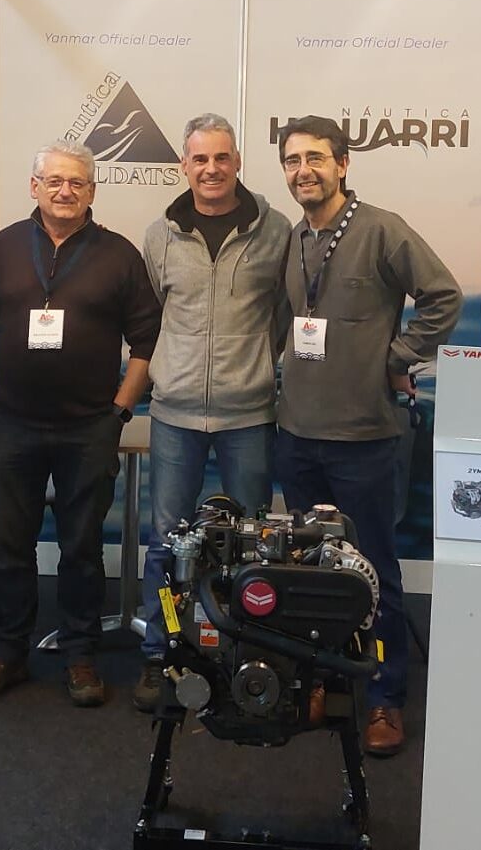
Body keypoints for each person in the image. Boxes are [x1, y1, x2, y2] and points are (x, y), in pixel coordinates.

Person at [274, 115, 462, 756]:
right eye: (293, 160)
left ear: (343, 163)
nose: (304, 170)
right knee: (312, 571)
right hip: (297, 435)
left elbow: (443, 296)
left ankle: (385, 699)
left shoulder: (381, 228)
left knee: (373, 570)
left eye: (316, 158)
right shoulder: (295, 237)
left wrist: (399, 356)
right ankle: (324, 676)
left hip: (366, 438)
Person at [0, 140, 161, 708]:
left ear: (92, 191)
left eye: (77, 182)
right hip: (15, 425)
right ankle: (7, 653)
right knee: (10, 547)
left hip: (88, 429)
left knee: (80, 548)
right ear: (35, 186)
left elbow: (146, 340)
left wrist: (119, 411)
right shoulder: (1, 249)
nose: (65, 191)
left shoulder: (120, 255)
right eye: (54, 181)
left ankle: (80, 656)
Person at [133, 113, 292, 712]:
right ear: (184, 165)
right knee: (166, 542)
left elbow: (281, 313)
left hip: (249, 414)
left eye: (221, 158)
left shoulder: (274, 231)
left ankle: (248, 653)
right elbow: (152, 318)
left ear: (237, 162)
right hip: (173, 412)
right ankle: (160, 655)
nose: (211, 169)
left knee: (252, 542)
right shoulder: (161, 234)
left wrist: (254, 365)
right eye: (199, 159)